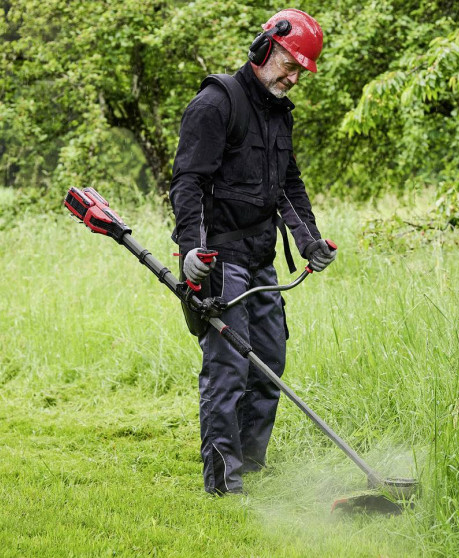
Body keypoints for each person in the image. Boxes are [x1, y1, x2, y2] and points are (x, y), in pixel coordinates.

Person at [169, 8, 337, 495]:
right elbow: (188, 184)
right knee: (229, 369)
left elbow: (287, 185)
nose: (294, 78)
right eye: (290, 65)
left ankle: (250, 463)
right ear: (264, 48)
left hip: (261, 257)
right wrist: (190, 251)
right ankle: (224, 482)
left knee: (269, 362)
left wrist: (309, 240)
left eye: (301, 71)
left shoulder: (279, 113)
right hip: (220, 259)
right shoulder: (215, 103)